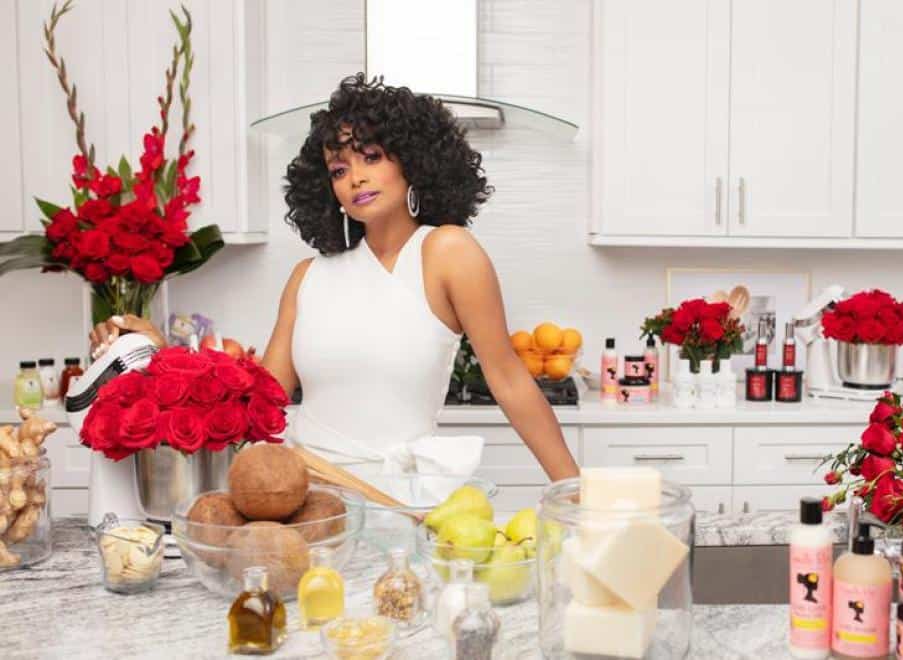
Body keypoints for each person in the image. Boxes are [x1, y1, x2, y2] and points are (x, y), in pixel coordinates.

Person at [89, 73, 579, 482]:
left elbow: (509, 380)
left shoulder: (447, 252)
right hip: (307, 502)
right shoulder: (308, 278)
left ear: (412, 163)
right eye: (339, 169)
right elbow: (257, 403)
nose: (356, 178)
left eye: (372, 157)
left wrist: (575, 495)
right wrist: (159, 356)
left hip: (403, 505)